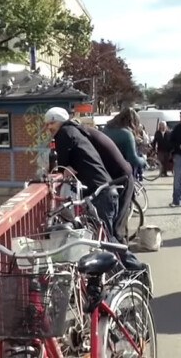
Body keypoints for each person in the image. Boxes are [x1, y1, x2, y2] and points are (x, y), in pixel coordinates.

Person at [44, 107, 143, 269]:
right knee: (106, 237)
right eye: (47, 124)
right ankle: (123, 272)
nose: (49, 127)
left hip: (102, 192)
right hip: (107, 187)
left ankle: (137, 269)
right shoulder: (76, 131)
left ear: (60, 121)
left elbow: (60, 165)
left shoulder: (65, 133)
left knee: (107, 240)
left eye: (52, 123)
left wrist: (59, 170)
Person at [73, 122, 134, 244]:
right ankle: (123, 253)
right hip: (122, 176)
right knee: (119, 223)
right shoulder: (92, 135)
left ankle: (126, 260)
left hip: (120, 178)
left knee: (115, 229)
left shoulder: (85, 140)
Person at [103, 109, 147, 176]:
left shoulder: (105, 130)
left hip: (104, 171)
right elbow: (133, 159)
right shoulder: (127, 134)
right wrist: (143, 160)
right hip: (120, 173)